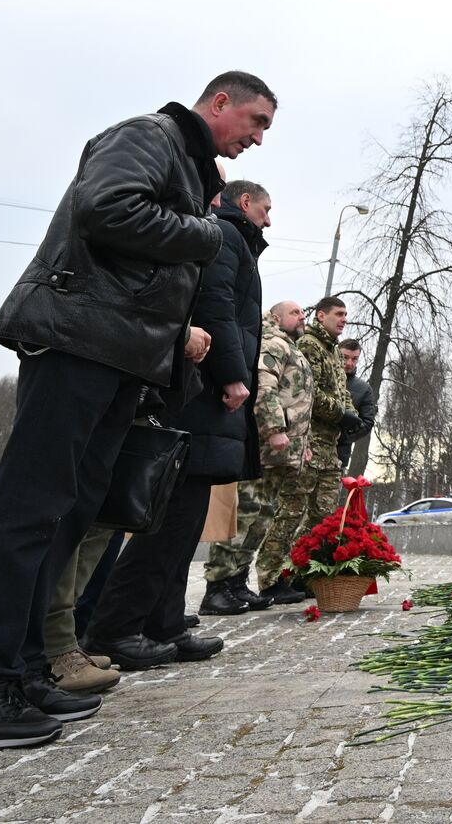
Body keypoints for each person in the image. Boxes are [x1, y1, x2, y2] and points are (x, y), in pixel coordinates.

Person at [0, 71, 277, 751]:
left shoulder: (187, 163)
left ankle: (24, 670)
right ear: (221, 102)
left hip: (122, 356)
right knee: (30, 511)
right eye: (256, 122)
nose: (258, 139)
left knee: (70, 514)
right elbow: (106, 209)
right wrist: (205, 233)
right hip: (78, 342)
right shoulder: (149, 136)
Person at [85, 179, 274, 667]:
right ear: (246, 203)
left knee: (185, 520)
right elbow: (215, 308)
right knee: (168, 523)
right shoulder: (225, 236)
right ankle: (114, 629)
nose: (269, 222)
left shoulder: (231, 240)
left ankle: (163, 623)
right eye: (266, 210)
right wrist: (231, 375)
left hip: (207, 397)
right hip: (201, 393)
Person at [199, 301, 315, 614]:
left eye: (302, 312)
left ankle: (237, 582)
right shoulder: (273, 343)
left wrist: (301, 443)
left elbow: (299, 400)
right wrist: (275, 428)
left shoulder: (291, 347)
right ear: (276, 317)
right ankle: (217, 586)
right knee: (248, 513)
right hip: (267, 446)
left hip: (284, 449)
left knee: (261, 517)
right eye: (295, 312)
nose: (302, 316)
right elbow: (264, 386)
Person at [256, 297, 360, 601]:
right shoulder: (311, 345)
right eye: (338, 314)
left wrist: (350, 415)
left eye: (346, 315)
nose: (343, 320)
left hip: (329, 446)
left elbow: (342, 392)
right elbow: (308, 395)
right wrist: (340, 414)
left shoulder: (331, 350)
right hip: (309, 440)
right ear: (321, 315)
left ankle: (304, 573)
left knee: (323, 516)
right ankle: (271, 575)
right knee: (292, 511)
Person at [337, 338, 377, 468]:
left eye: (354, 359)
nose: (349, 363)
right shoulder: (320, 376)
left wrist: (342, 436)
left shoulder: (364, 389)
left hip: (338, 455)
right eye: (345, 357)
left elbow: (367, 422)